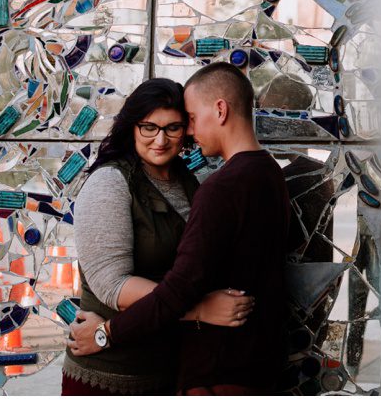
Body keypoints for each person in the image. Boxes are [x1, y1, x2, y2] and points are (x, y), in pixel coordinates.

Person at [70, 62, 291, 395]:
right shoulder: (111, 182)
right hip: (116, 371)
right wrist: (199, 311)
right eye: (149, 127)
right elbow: (112, 284)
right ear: (132, 127)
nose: (165, 138)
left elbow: (196, 275)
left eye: (176, 126)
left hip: (173, 367)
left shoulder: (198, 183)